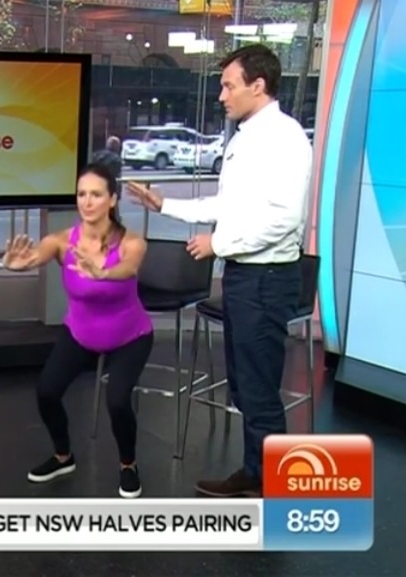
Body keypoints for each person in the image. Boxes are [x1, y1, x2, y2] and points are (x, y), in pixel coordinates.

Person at [126, 44, 311, 497]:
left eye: (229, 86)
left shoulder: (284, 138)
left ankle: (273, 489)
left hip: (266, 280)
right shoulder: (246, 137)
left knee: (258, 390)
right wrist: (164, 204)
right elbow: (227, 205)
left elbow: (284, 219)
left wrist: (219, 244)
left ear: (258, 85)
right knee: (246, 387)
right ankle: (256, 473)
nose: (221, 96)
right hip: (246, 279)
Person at [1, 163, 153, 499]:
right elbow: (36, 256)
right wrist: (19, 265)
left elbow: (129, 268)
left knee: (117, 401)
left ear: (112, 200)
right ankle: (63, 457)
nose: (87, 201)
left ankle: (128, 464)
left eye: (96, 194)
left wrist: (103, 272)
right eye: (82, 194)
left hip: (130, 337)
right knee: (46, 392)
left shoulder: (132, 243)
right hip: (81, 335)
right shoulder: (60, 242)